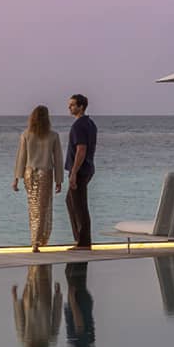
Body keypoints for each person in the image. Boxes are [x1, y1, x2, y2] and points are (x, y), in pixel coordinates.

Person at [12, 104, 63, 250]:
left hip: (29, 173)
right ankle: (37, 240)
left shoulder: (26, 134)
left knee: (33, 207)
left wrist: (16, 178)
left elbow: (21, 158)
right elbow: (58, 159)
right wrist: (58, 180)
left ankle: (35, 239)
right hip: (45, 173)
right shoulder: (53, 135)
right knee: (42, 208)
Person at [64, 93, 98, 251]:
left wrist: (74, 172)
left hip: (81, 170)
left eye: (72, 105)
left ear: (81, 107)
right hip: (88, 168)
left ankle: (83, 242)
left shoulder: (78, 126)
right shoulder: (90, 124)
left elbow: (81, 149)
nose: (69, 107)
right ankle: (81, 239)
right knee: (72, 201)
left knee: (79, 205)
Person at [11, 265, 61, 347]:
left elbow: (56, 318)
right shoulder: (25, 341)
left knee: (39, 273)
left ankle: (38, 258)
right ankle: (37, 258)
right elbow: (20, 321)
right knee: (35, 275)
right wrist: (15, 298)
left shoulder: (50, 340)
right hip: (36, 302)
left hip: (41, 302)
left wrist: (57, 296)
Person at [64, 261, 95, 347]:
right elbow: (79, 324)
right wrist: (72, 300)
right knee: (72, 272)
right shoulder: (79, 346)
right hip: (79, 301)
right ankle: (81, 250)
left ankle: (81, 251)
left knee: (75, 271)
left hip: (83, 301)